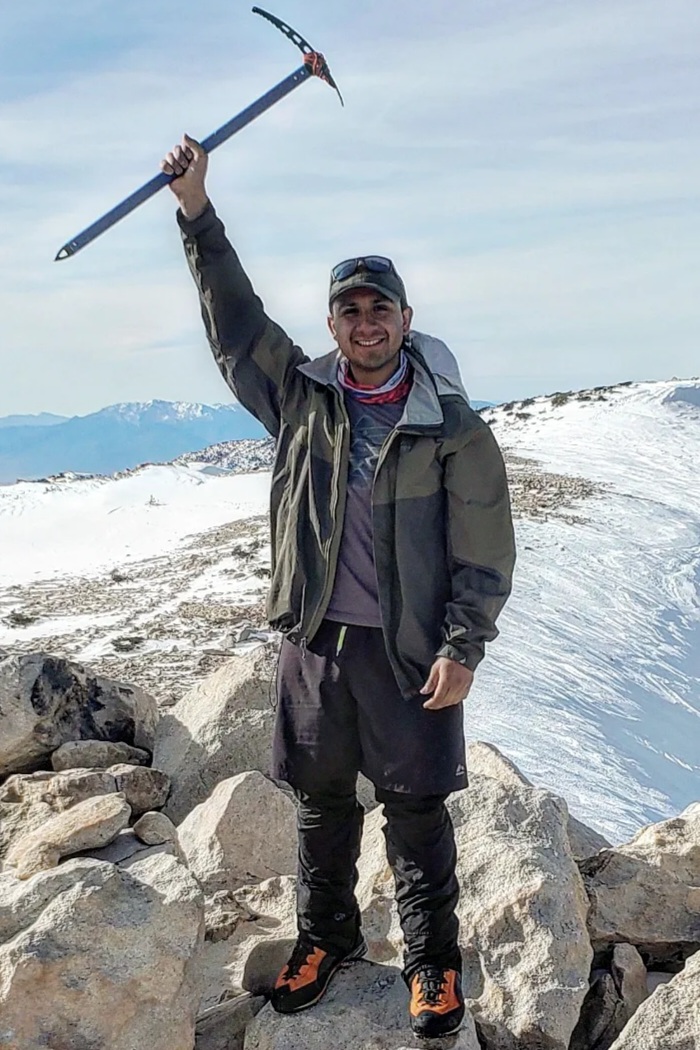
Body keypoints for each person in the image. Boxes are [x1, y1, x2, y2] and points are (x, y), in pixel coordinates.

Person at [161, 134, 516, 1040]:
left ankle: (434, 963)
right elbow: (235, 326)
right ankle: (325, 940)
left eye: (379, 308)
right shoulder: (300, 398)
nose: (365, 322)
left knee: (416, 810)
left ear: (405, 316)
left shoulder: (452, 428)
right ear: (331, 324)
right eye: (348, 309)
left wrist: (462, 647)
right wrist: (198, 215)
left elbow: (484, 549)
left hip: (408, 654)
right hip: (317, 643)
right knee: (320, 807)